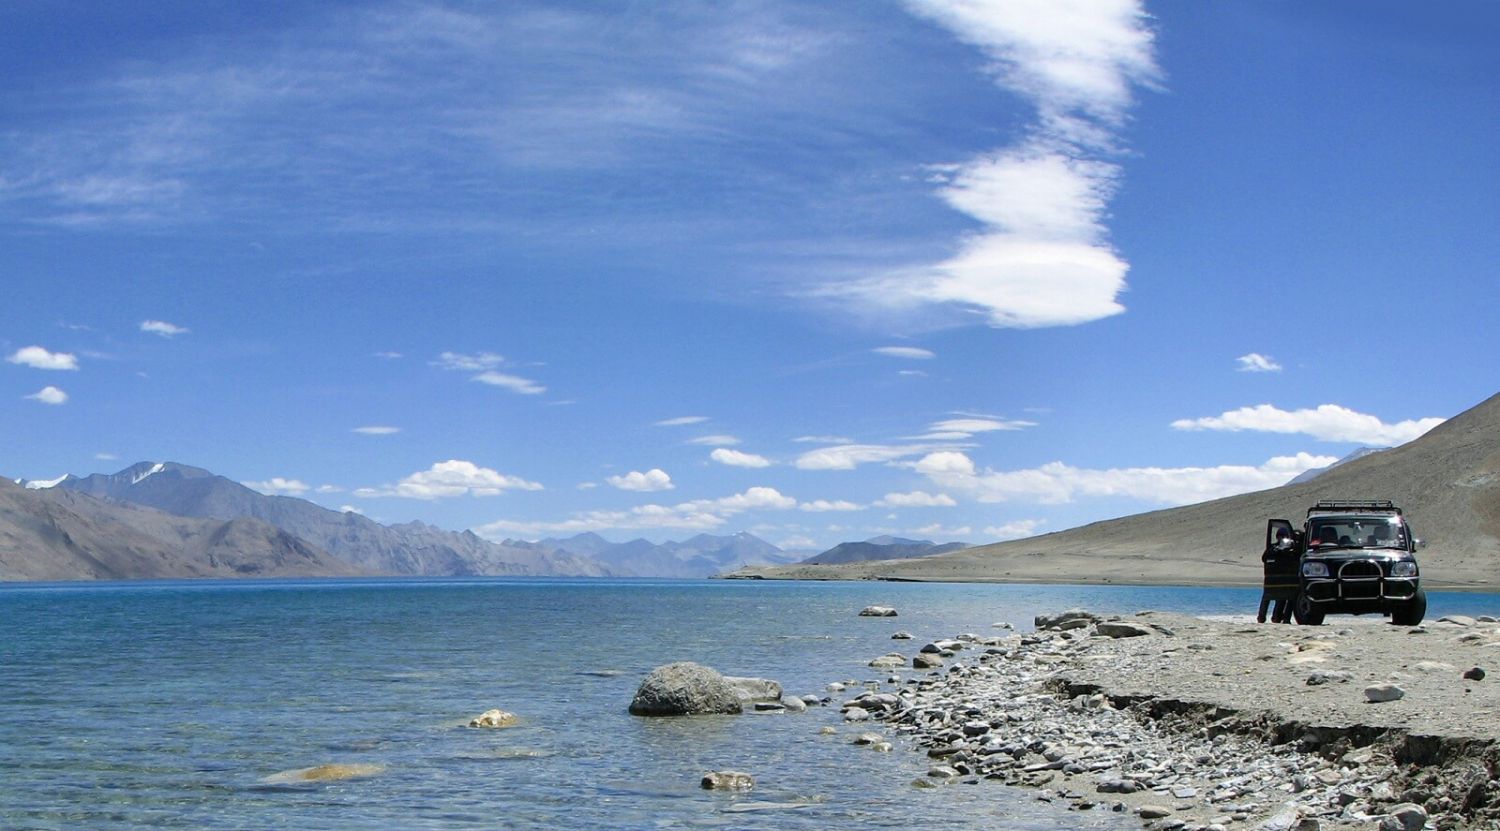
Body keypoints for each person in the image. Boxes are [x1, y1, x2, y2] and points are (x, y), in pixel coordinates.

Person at [1258, 528, 1299, 623]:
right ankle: (1278, 617)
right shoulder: (1287, 549)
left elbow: (1264, 558)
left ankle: (1268, 617)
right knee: (1284, 597)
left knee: (1272, 599)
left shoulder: (1272, 548)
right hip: (1281, 580)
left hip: (1272, 580)